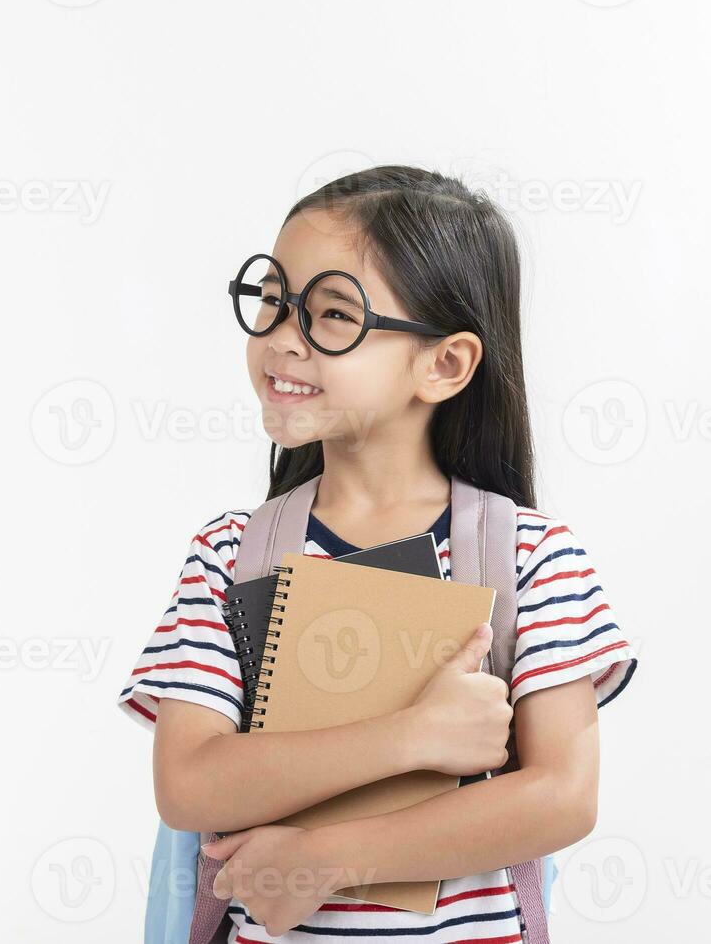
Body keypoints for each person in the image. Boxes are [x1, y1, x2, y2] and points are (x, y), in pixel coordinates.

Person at [117, 165, 638, 942]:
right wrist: (411, 737)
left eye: (333, 315)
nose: (282, 340)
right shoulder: (231, 555)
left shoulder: (529, 558)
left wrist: (329, 858)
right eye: (273, 302)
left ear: (445, 365)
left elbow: (563, 795)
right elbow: (189, 784)